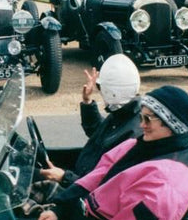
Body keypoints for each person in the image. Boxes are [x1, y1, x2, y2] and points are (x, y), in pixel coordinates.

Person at [36, 86, 188, 220]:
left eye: (148, 119)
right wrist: (60, 209)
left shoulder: (166, 185)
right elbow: (97, 176)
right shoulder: (137, 145)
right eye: (141, 117)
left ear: (172, 126)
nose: (142, 125)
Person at [39, 54, 142, 189]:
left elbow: (104, 186)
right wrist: (87, 102)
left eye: (100, 87)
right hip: (80, 176)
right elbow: (98, 132)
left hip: (83, 191)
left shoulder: (132, 132)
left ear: (110, 91)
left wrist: (64, 177)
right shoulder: (123, 114)